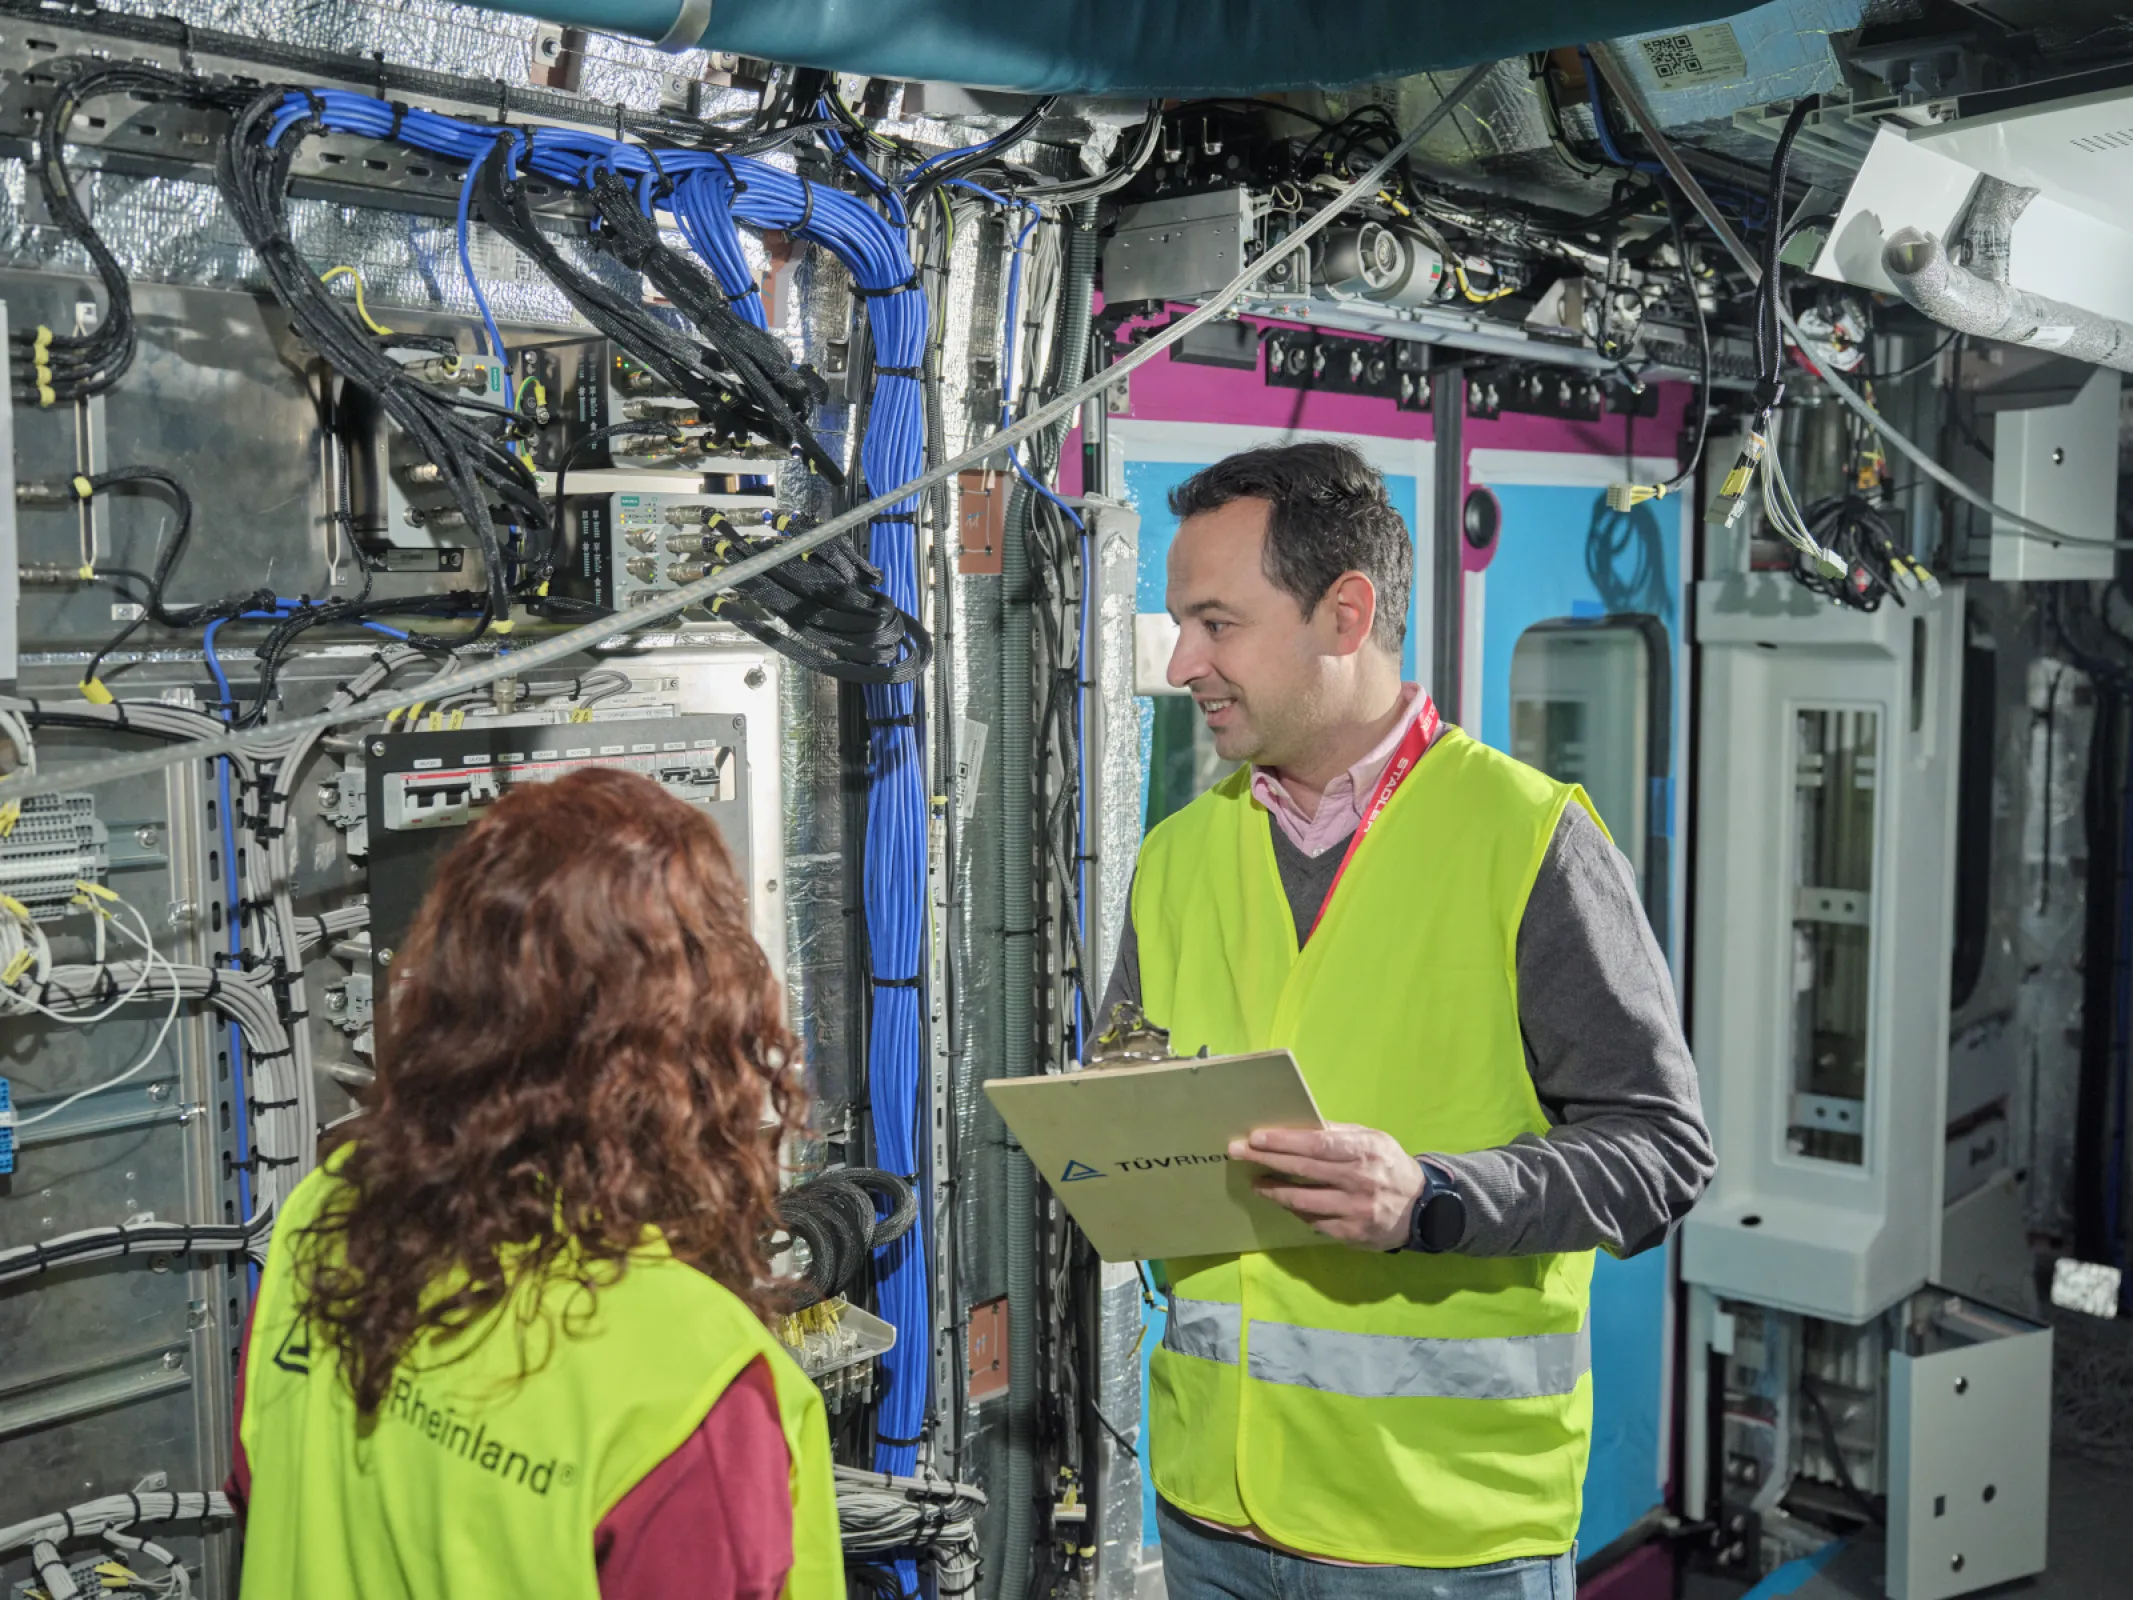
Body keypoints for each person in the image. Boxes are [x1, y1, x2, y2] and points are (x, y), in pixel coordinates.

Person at [1103, 441, 1714, 1598]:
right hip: (1206, 1512)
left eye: (1217, 623)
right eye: (1181, 623)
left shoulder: (1527, 839)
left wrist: (1431, 1199)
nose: (1183, 660)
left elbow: (1661, 1155)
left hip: (1439, 1540)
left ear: (1345, 614)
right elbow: (1129, 1100)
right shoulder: (1178, 855)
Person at [230, 767, 840, 1600]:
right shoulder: (688, 1376)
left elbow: (259, 1486)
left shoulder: (327, 1216)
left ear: (450, 997)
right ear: (700, 1040)